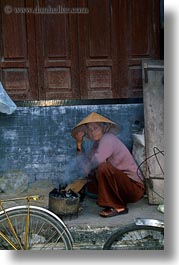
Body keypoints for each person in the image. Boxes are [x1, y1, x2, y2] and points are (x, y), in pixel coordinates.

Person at [71, 112, 145, 218]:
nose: (92, 132)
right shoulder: (97, 145)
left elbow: (96, 162)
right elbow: (83, 164)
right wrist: (79, 144)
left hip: (134, 189)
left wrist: (87, 170)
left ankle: (119, 207)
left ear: (105, 128)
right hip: (122, 189)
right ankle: (111, 199)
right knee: (94, 171)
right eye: (89, 130)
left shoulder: (108, 138)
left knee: (102, 167)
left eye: (95, 128)